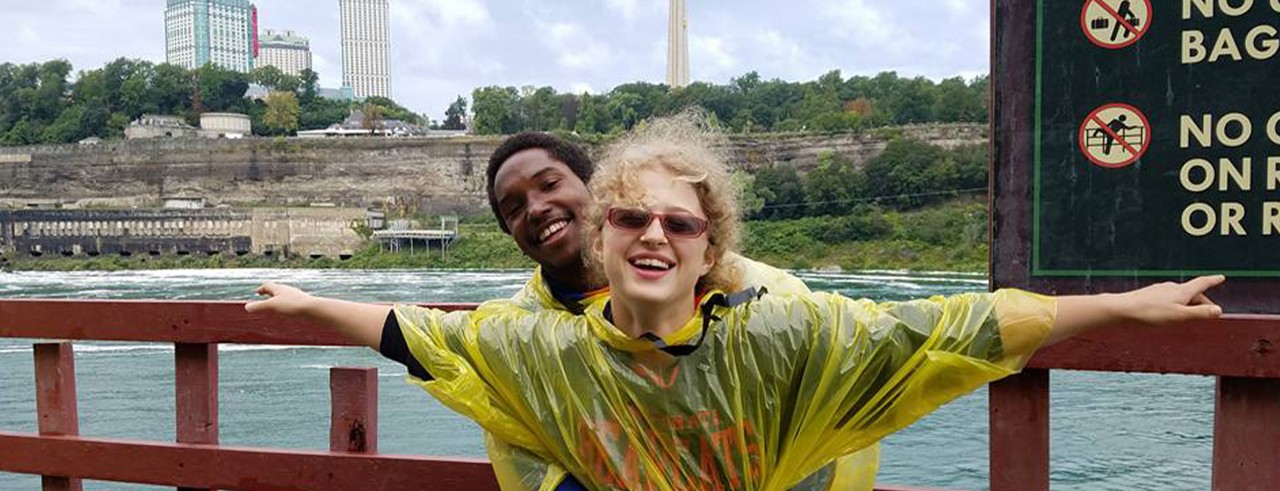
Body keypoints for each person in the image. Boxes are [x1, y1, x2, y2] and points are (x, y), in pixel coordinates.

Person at [247, 113, 1224, 490]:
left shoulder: (780, 317)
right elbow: (421, 338)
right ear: (602, 232)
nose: (651, 237)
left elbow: (952, 329)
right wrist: (301, 301)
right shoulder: (535, 342)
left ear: (710, 237)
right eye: (630, 220)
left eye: (676, 223)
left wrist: (1129, 304)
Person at [483, 132, 870, 490]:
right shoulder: (518, 341)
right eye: (513, 208)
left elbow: (827, 411)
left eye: (550, 184)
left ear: (594, 188)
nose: (535, 208)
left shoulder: (758, 292)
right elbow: (529, 467)